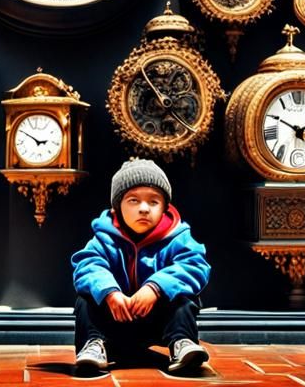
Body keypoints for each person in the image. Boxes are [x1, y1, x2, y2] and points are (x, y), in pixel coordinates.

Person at [70, 158, 210, 376]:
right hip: (116, 319)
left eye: (153, 202)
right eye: (133, 201)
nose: (144, 209)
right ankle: (94, 344)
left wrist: (155, 287)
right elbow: (87, 265)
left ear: (165, 208)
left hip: (158, 322)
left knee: (184, 298)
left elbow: (195, 265)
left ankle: (181, 342)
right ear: (117, 208)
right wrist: (109, 292)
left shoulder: (178, 237)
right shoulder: (104, 238)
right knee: (86, 298)